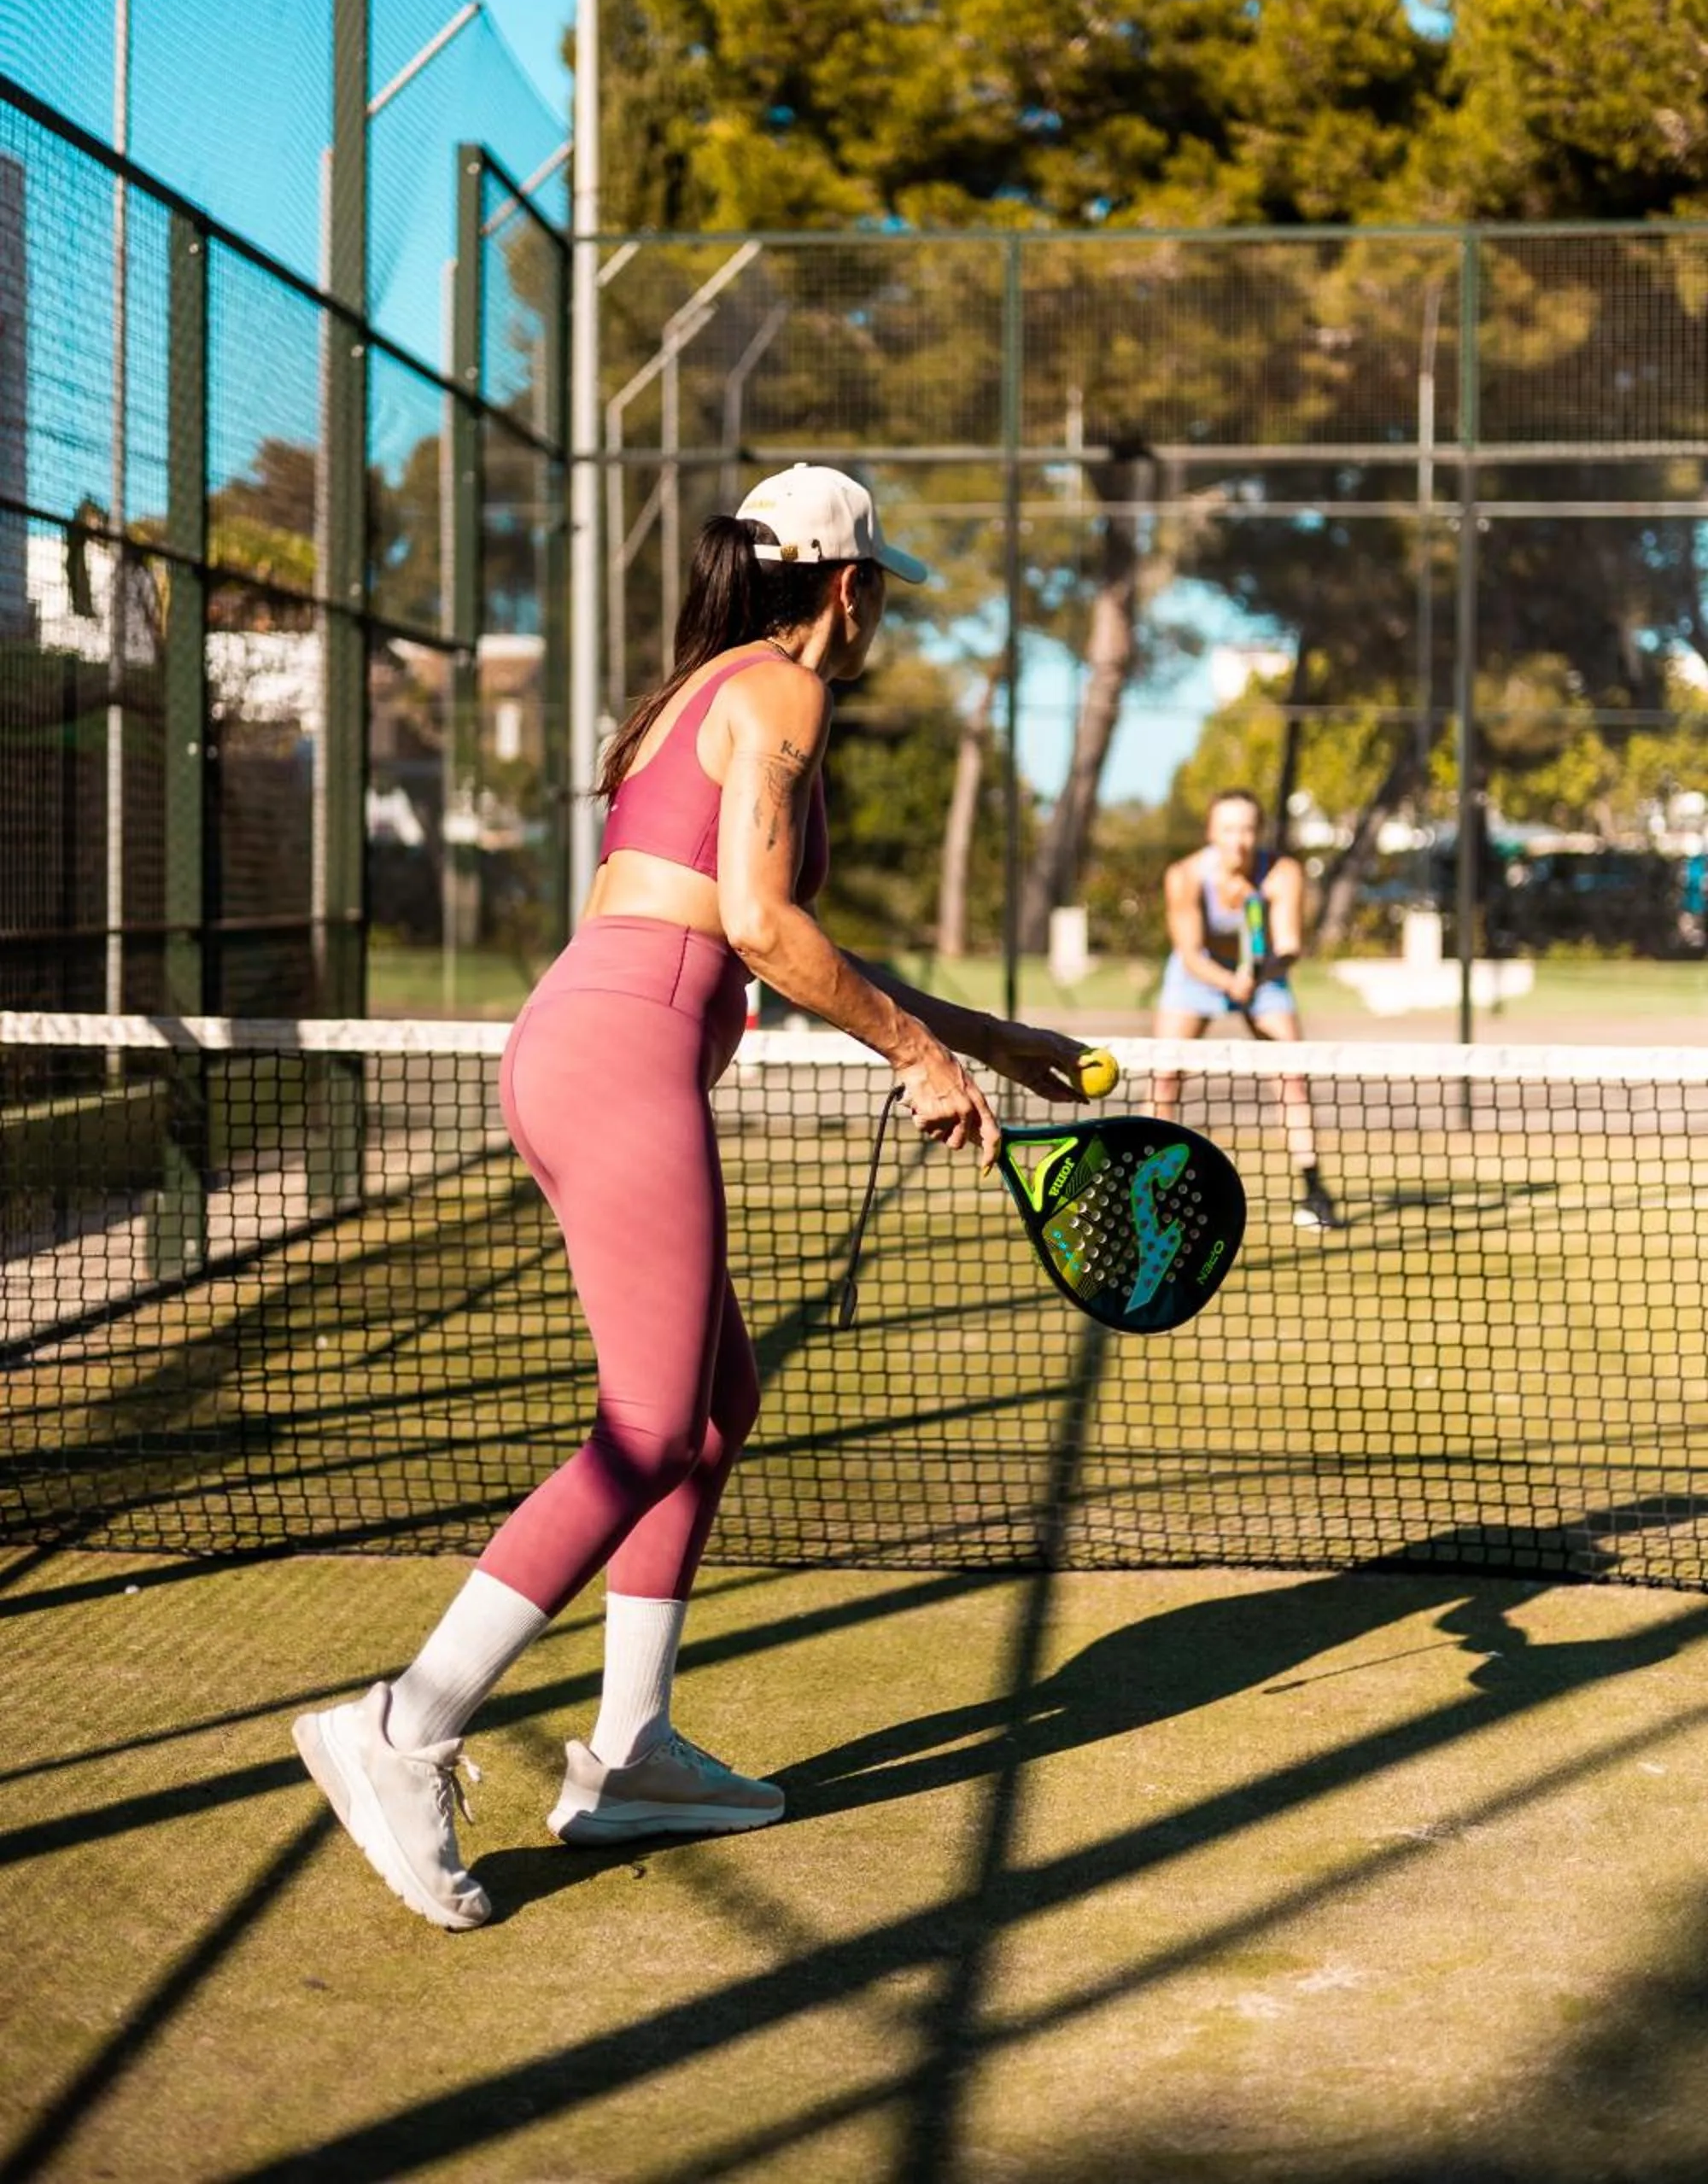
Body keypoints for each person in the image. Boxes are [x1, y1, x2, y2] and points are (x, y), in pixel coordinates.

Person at [293, 461, 1093, 1931]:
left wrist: (986, 1040)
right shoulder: (787, 694)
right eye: (877, 596)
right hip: (622, 1054)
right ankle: (403, 1725)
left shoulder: (692, 691)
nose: (876, 623)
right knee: (651, 1427)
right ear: (846, 588)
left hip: (577, 1039)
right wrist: (916, 1058)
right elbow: (759, 923)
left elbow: (755, 927)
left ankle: (632, 1753)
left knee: (713, 1410)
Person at [1153, 788, 1342, 1232]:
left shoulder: (1281, 873)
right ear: (1211, 832)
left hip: (1263, 976)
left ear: (1258, 832)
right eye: (1228, 829)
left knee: (1291, 1076)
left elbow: (1290, 945)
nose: (1238, 840)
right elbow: (1191, 952)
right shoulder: (1185, 876)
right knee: (1164, 1074)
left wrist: (1255, 976)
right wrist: (1227, 981)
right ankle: (1155, 1187)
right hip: (1196, 976)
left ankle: (1314, 1189)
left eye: (1247, 829)